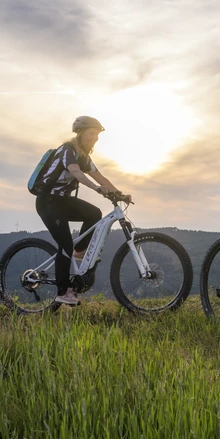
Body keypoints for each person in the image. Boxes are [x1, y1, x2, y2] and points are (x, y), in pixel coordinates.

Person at [33, 116, 131, 306]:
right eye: (92, 133)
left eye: (97, 135)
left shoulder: (84, 156)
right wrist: (97, 189)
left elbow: (100, 177)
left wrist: (119, 193)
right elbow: (76, 172)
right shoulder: (67, 150)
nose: (95, 138)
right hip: (48, 202)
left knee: (94, 214)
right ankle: (63, 291)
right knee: (65, 244)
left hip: (64, 202)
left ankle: (79, 251)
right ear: (80, 134)